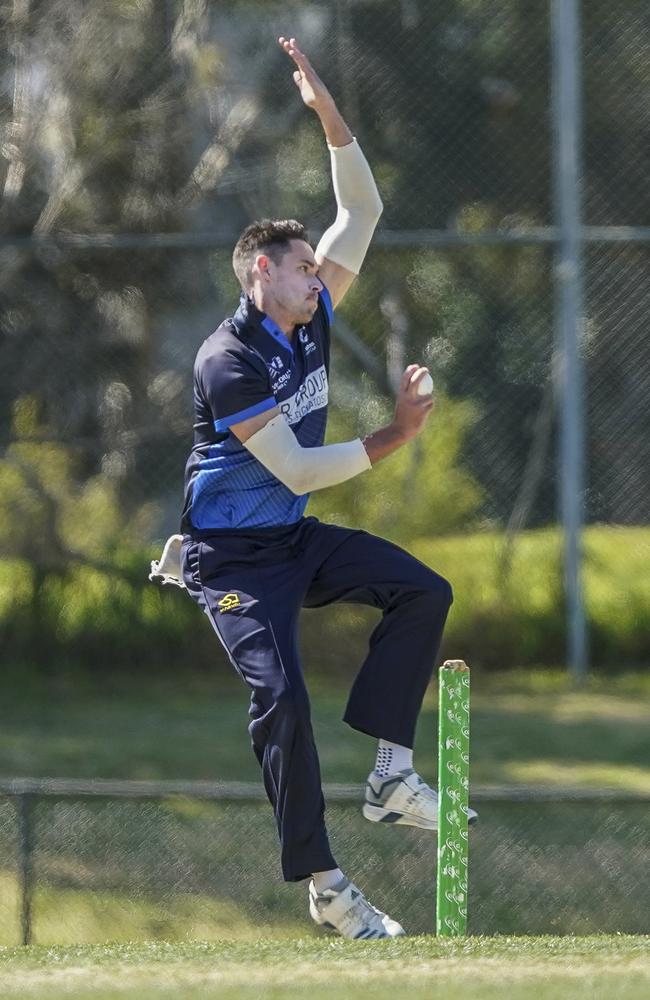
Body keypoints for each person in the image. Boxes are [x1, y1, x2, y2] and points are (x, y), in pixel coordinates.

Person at [152, 36, 476, 940]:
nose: (318, 276)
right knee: (282, 699)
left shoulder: (311, 312)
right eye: (301, 267)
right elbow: (293, 467)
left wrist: (329, 117)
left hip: (293, 539)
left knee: (422, 590)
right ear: (264, 272)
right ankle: (327, 885)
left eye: (314, 268)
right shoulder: (228, 358)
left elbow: (360, 206)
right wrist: (393, 436)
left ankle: (390, 775)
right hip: (230, 561)